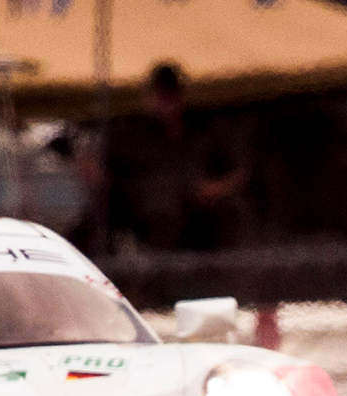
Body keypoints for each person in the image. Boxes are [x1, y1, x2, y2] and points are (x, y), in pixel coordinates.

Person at [100, 62, 254, 253]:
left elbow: (239, 172)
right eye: (159, 94)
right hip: (150, 218)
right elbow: (104, 170)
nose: (166, 101)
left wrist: (217, 189)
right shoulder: (130, 134)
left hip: (203, 213)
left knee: (232, 213)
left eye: (171, 93)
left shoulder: (205, 130)